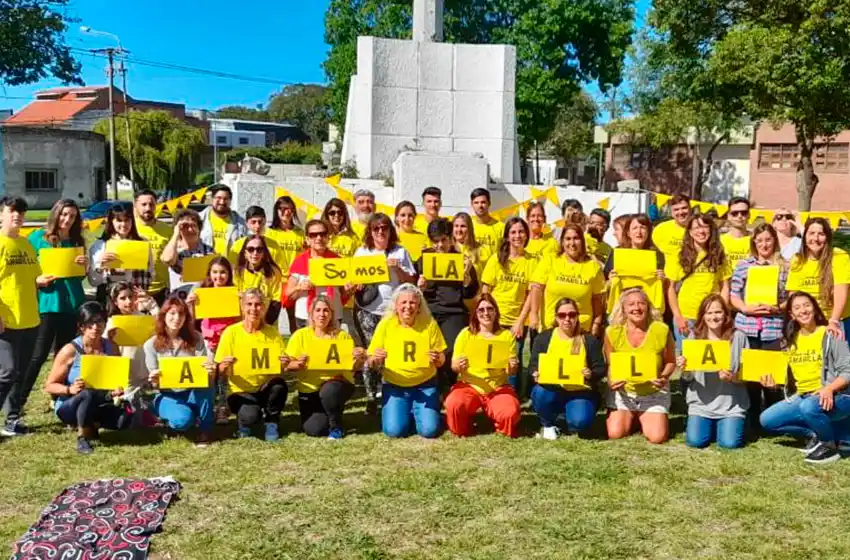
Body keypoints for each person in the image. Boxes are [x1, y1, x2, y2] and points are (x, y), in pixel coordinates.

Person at [5, 199, 88, 436]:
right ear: (55, 214)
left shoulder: (76, 240)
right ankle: (16, 408)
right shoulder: (36, 238)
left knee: (66, 359)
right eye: (63, 215)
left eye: (71, 216)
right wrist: (37, 282)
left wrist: (83, 265)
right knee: (36, 357)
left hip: (72, 305)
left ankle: (62, 403)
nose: (67, 220)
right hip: (46, 305)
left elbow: (78, 276)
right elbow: (26, 272)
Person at [760, 291, 850, 464]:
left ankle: (829, 447)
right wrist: (773, 384)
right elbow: (787, 378)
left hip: (837, 395)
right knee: (767, 420)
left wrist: (829, 388)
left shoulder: (830, 334)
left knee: (809, 406)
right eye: (797, 308)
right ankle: (817, 433)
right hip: (803, 395)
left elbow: (848, 371)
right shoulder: (789, 341)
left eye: (807, 305)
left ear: (815, 309)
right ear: (792, 315)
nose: (803, 310)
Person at [44, 302, 131, 454]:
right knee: (86, 394)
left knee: (124, 419)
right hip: (70, 404)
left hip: (101, 399)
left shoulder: (111, 347)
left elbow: (118, 378)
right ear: (81, 326)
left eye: (100, 322)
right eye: (90, 323)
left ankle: (91, 424)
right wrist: (69, 389)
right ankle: (82, 437)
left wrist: (117, 389)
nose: (95, 327)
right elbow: (49, 385)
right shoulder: (70, 350)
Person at [354, 213, 416, 414]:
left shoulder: (400, 251)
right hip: (368, 311)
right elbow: (353, 283)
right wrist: (356, 285)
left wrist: (397, 269)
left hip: (393, 312)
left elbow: (412, 281)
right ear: (370, 232)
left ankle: (389, 395)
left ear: (391, 230)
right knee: (372, 353)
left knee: (391, 354)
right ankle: (371, 397)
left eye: (384, 228)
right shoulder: (362, 252)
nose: (380, 232)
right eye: (376, 228)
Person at [0, 196, 52, 437]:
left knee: (18, 373)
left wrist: (43, 281)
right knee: (7, 372)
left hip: (31, 318)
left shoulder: (26, 244)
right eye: (12, 211)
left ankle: (12, 419)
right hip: (6, 320)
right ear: (1, 215)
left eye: (21, 212)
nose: (17, 216)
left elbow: (34, 278)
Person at [367, 283, 447, 438]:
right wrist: (376, 359)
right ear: (396, 306)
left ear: (419, 306)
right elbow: (370, 360)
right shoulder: (386, 325)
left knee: (429, 431)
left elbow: (442, 358)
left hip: (425, 385)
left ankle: (419, 413)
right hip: (395, 386)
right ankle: (408, 412)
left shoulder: (429, 324)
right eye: (403, 302)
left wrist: (437, 358)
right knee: (394, 431)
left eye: (412, 303)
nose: (408, 307)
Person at [729, 223, 787, 432]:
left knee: (772, 378)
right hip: (748, 326)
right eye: (759, 240)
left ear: (775, 241)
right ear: (754, 242)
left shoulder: (784, 266)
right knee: (751, 377)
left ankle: (774, 420)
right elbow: (733, 294)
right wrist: (745, 307)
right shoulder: (744, 265)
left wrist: (777, 307)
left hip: (773, 327)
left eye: (768, 240)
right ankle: (752, 419)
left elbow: (791, 298)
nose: (764, 244)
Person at [285, 296, 365, 439]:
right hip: (309, 389)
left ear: (332, 314)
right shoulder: (300, 336)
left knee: (329, 391)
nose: (322, 314)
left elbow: (352, 367)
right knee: (314, 429)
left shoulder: (342, 336)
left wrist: (359, 359)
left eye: (326, 311)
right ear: (311, 314)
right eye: (318, 310)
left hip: (336, 385)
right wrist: (298, 364)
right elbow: (288, 366)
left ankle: (336, 426)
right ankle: (331, 413)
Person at [215, 289, 289, 441]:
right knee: (250, 417)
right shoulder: (231, 332)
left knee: (279, 386)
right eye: (249, 304)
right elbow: (220, 370)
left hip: (264, 387)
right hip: (240, 391)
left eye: (258, 305)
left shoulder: (272, 332)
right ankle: (244, 422)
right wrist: (225, 365)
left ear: (263, 308)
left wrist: (284, 364)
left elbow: (280, 367)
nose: (253, 309)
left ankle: (271, 422)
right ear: (242, 307)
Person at [677, 295, 750, 449]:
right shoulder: (694, 338)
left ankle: (728, 424)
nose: (714, 317)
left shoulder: (739, 337)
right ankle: (705, 423)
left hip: (731, 405)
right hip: (701, 404)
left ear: (726, 314)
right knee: (696, 441)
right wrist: (685, 368)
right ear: (702, 316)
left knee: (729, 444)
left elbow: (747, 375)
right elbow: (688, 378)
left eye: (718, 312)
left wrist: (733, 377)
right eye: (709, 313)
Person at [605, 288, 676, 444]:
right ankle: (634, 416)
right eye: (631, 304)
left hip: (653, 392)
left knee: (657, 438)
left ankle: (643, 416)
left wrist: (663, 377)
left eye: (641, 303)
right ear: (623, 309)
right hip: (625, 392)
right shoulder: (612, 332)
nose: (636, 308)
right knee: (615, 433)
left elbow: (671, 361)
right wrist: (611, 381)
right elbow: (611, 364)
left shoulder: (661, 330)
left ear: (648, 307)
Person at [529, 297, 606, 440]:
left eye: (572, 315)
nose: (567, 319)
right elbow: (533, 365)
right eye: (562, 315)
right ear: (556, 317)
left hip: (580, 392)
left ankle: (564, 418)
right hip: (551, 389)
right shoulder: (544, 338)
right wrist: (535, 373)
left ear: (577, 316)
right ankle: (547, 424)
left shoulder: (589, 340)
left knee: (579, 424)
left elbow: (601, 368)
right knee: (540, 392)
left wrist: (591, 374)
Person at [416, 218, 479, 390]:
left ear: (451, 238)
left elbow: (471, 292)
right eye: (435, 241)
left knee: (451, 352)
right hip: (429, 312)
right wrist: (420, 287)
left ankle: (449, 387)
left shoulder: (461, 260)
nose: (440, 245)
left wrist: (467, 280)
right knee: (428, 352)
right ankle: (434, 388)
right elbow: (414, 291)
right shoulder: (424, 259)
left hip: (454, 312)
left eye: (444, 240)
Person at [144, 296, 216, 446]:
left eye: (181, 314)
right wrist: (154, 379)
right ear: (163, 316)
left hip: (192, 391)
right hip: (166, 394)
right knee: (182, 420)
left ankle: (205, 430)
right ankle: (175, 419)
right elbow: (153, 384)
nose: (176, 318)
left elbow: (202, 372)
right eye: (172, 313)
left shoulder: (196, 338)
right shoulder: (151, 344)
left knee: (208, 384)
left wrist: (209, 369)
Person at [447, 294, 520, 437]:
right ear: (475, 313)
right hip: (469, 385)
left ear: (496, 312)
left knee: (510, 413)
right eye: (481, 310)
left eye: (490, 309)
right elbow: (454, 366)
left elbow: (511, 372)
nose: (486, 313)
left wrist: (512, 367)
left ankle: (497, 420)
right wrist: (459, 366)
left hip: (497, 388)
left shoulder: (505, 336)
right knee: (453, 406)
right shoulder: (466, 334)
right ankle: (466, 424)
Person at [481, 217, 535, 394]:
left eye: (521, 232)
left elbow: (530, 295)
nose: (517, 236)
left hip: (516, 321)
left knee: (512, 360)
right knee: (491, 358)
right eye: (513, 232)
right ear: (507, 236)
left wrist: (520, 321)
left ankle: (511, 395)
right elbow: (486, 290)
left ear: (527, 235)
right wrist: (486, 316)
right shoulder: (496, 259)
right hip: (494, 318)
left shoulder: (532, 261)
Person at [530, 224, 606, 340]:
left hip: (581, 330)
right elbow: (536, 288)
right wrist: (534, 314)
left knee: (578, 358)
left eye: (576, 238)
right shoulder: (550, 260)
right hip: (551, 328)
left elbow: (598, 299)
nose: (572, 243)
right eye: (568, 239)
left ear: (582, 241)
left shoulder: (593, 267)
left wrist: (596, 324)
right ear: (562, 242)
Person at [666, 214, 729, 346]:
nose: (701, 231)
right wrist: (678, 316)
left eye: (705, 227)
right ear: (690, 232)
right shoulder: (678, 255)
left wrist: (722, 313)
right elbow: (670, 288)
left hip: (711, 316)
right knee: (687, 359)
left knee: (710, 359)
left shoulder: (719, 255)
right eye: (696, 228)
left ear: (711, 230)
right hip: (687, 315)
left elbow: (724, 287)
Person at [786, 218, 849, 339]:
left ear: (828, 237)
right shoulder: (798, 260)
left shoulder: (839, 256)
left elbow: (841, 291)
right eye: (811, 233)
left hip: (837, 320)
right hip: (807, 321)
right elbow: (794, 295)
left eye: (821, 234)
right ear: (804, 237)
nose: (815, 238)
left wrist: (833, 321)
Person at [285, 219, 350, 330]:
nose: (319, 238)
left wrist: (350, 290)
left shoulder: (338, 261)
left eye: (323, 234)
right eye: (313, 235)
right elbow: (288, 294)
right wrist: (299, 287)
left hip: (332, 316)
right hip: (306, 316)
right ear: (307, 239)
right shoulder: (299, 261)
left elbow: (343, 294)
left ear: (328, 237)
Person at [88, 202, 154, 301]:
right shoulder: (101, 245)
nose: (123, 224)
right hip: (109, 297)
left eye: (127, 220)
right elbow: (93, 281)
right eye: (119, 220)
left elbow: (151, 273)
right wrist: (100, 266)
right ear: (111, 221)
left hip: (137, 298)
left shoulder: (142, 243)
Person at [603, 214, 666, 315]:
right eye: (635, 228)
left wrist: (662, 279)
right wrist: (610, 281)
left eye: (643, 227)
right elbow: (603, 283)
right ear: (628, 233)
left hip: (647, 309)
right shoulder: (617, 253)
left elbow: (664, 288)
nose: (639, 232)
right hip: (621, 309)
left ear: (648, 232)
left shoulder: (658, 256)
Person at [106, 282, 160, 396]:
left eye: (130, 297)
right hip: (125, 375)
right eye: (123, 298)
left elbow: (161, 327)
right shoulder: (112, 322)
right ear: (115, 302)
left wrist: (152, 305)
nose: (128, 302)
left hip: (143, 373)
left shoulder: (142, 318)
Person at [320, 198, 362, 343]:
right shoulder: (321, 236)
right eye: (332, 213)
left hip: (347, 291)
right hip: (325, 291)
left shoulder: (353, 238)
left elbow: (358, 264)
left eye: (340, 212)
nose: (336, 216)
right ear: (326, 215)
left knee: (350, 331)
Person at [268, 195, 305, 333]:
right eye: (283, 209)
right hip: (275, 281)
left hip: (294, 282)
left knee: (294, 319)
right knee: (271, 319)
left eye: (290, 209)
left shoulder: (300, 233)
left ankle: (295, 349)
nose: (286, 212)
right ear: (276, 211)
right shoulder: (269, 233)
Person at [160, 208, 215, 298]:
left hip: (200, 298)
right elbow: (167, 259)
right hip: (178, 299)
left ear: (199, 228)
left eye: (193, 225)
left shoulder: (208, 250)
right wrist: (176, 233)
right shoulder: (173, 248)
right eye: (185, 226)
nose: (189, 229)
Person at [134, 189, 173, 306]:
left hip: (160, 290)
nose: (148, 208)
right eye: (143, 204)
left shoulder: (166, 230)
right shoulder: (129, 228)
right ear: (135, 205)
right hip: (135, 291)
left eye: (151, 204)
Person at [234, 235, 283, 325]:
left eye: (259, 249)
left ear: (264, 253)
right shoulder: (237, 273)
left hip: (265, 322)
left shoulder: (273, 273)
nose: (255, 253)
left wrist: (264, 322)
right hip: (242, 323)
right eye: (251, 249)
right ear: (245, 253)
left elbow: (276, 301)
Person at [453, 212, 490, 309]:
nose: (459, 230)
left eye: (463, 226)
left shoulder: (482, 250)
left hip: (475, 302)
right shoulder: (448, 249)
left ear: (469, 228)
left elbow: (487, 279)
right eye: (456, 226)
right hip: (455, 303)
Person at [199, 185, 247, 257]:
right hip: (204, 265)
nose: (222, 202)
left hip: (230, 266)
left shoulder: (240, 223)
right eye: (218, 198)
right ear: (212, 199)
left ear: (230, 201)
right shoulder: (199, 219)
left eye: (226, 199)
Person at [652, 194, 691, 263]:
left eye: (684, 208)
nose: (681, 212)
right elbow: (655, 254)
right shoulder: (661, 230)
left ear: (690, 209)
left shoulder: (700, 228)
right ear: (672, 213)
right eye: (676, 209)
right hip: (668, 273)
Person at [720, 197, 752, 275]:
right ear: (728, 216)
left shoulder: (756, 240)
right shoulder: (719, 241)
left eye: (743, 213)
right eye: (735, 213)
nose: (739, 216)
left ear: (749, 215)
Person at [469, 188, 505, 256]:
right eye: (476, 203)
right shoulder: (468, 227)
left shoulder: (501, 228)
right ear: (472, 204)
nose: (480, 206)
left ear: (489, 203)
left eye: (483, 202)